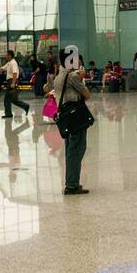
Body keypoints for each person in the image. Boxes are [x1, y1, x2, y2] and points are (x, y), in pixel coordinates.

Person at [50, 59, 92, 195]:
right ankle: (72, 185)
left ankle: (71, 182)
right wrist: (81, 77)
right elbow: (87, 94)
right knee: (76, 149)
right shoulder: (73, 76)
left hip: (67, 117)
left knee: (70, 149)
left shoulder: (59, 76)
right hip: (76, 117)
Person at [0, 50, 30, 119]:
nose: (5, 56)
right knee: (13, 99)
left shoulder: (13, 63)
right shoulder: (9, 63)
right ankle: (25, 106)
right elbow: (3, 68)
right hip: (10, 81)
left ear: (10, 55)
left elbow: (15, 73)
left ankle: (8, 113)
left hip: (11, 81)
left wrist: (13, 83)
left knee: (7, 99)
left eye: (6, 55)